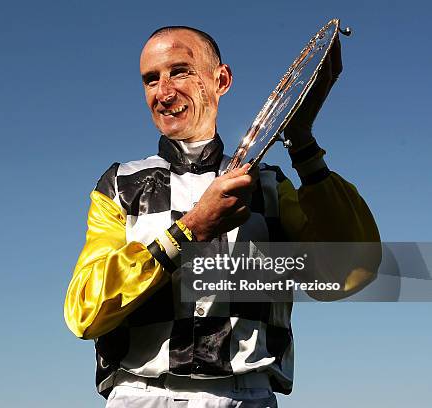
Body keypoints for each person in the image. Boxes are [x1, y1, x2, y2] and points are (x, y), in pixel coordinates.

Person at [64, 26, 380, 407]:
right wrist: (190, 230)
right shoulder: (121, 184)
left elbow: (347, 274)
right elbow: (85, 311)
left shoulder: (269, 185)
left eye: (180, 71)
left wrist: (304, 144)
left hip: (245, 394)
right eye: (151, 79)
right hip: (140, 393)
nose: (163, 93)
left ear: (221, 80)